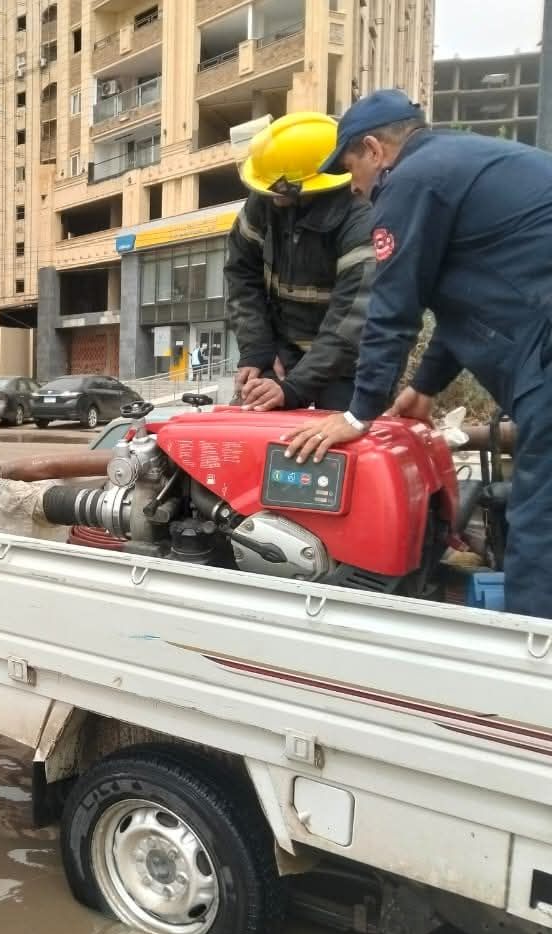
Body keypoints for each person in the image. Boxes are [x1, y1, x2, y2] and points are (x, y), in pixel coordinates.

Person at [284, 89, 552, 619]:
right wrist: (424, 387)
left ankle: (531, 659)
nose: (354, 187)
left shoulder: (410, 180)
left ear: (374, 149)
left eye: (350, 169)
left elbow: (393, 306)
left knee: (541, 524)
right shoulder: (461, 162)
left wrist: (358, 414)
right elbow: (463, 306)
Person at [226, 112, 376, 412]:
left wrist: (294, 389)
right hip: (283, 353)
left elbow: (352, 318)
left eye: (276, 188)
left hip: (350, 364)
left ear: (308, 183)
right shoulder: (269, 195)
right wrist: (257, 351)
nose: (269, 194)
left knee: (341, 435)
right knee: (256, 419)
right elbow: (241, 275)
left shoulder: (361, 218)